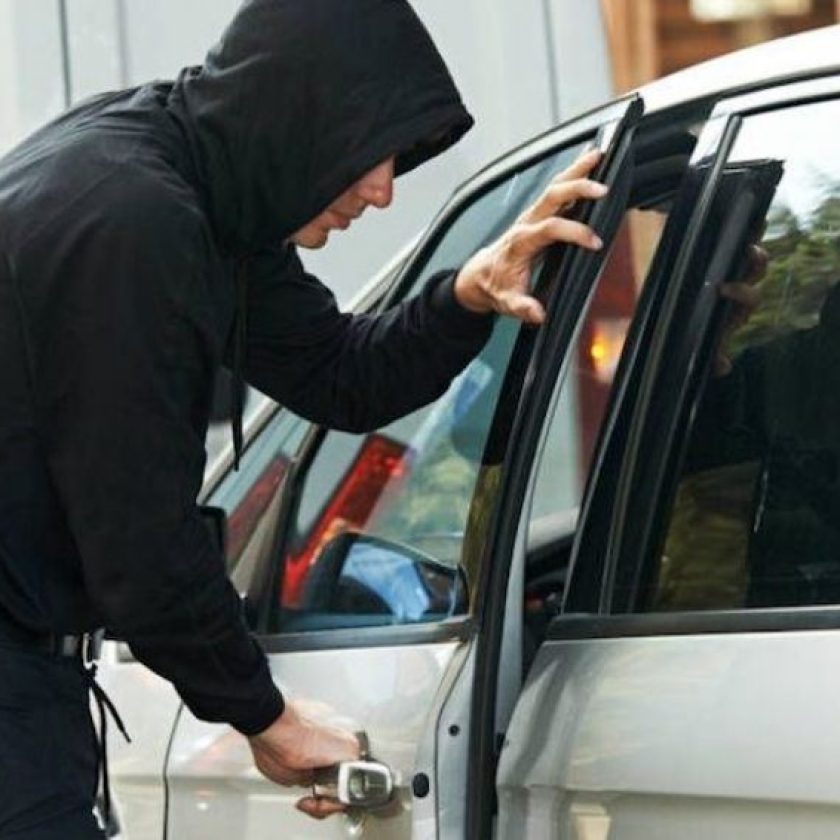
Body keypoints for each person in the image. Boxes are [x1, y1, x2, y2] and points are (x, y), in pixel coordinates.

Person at [0, 0, 608, 835]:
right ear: (299, 123)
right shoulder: (134, 223)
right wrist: (262, 713)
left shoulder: (203, 190)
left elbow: (339, 373)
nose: (383, 190)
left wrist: (469, 294)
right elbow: (141, 540)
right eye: (370, 153)